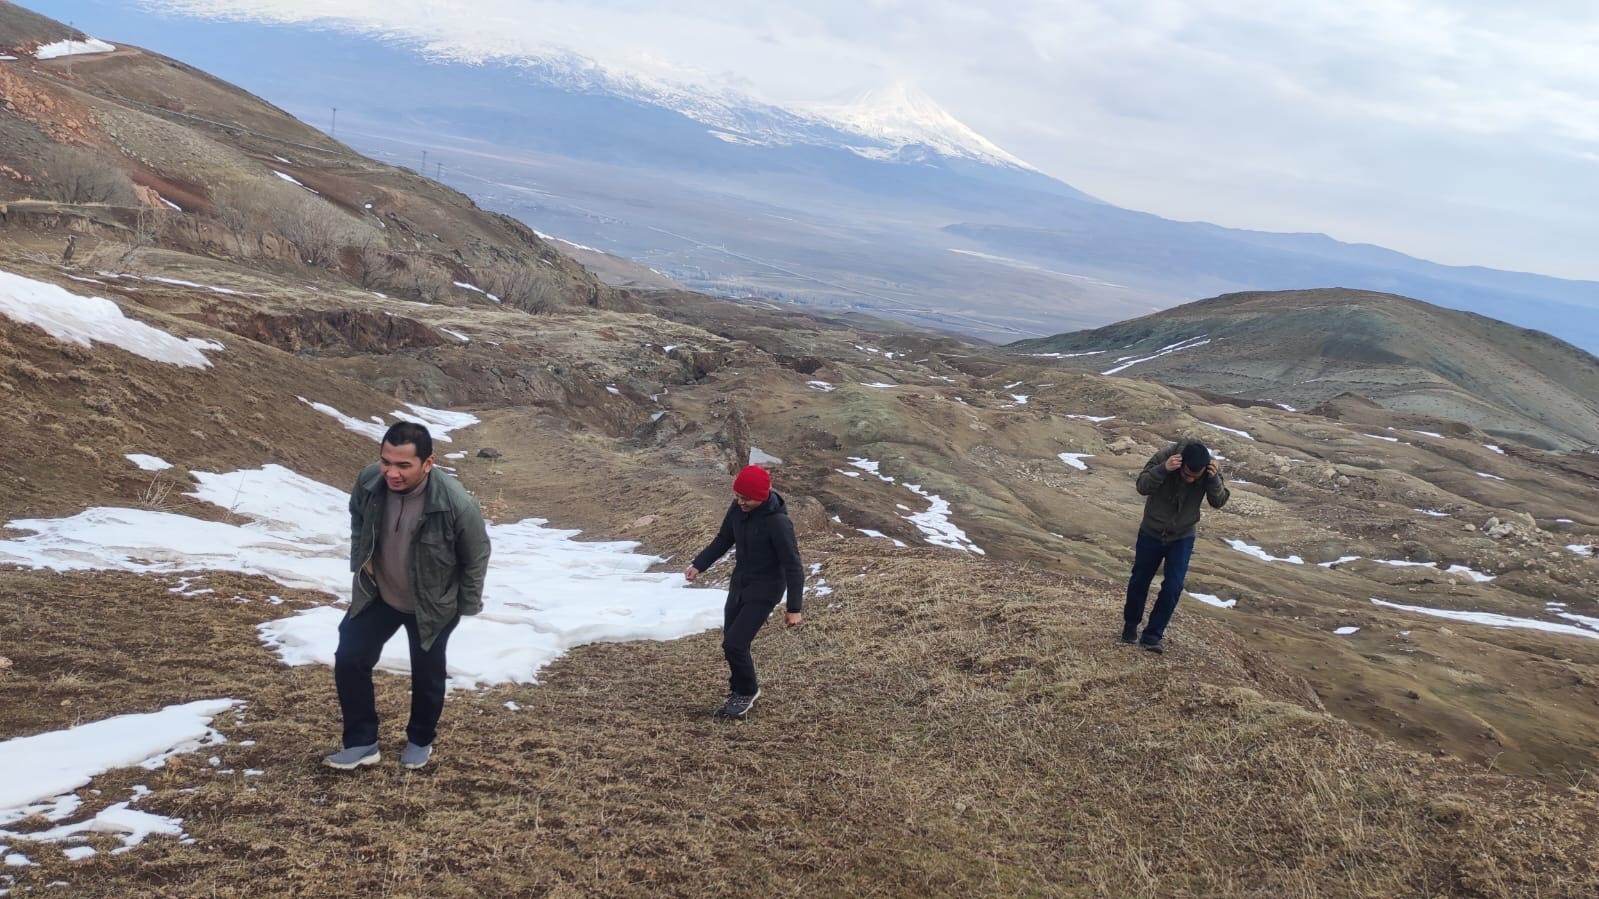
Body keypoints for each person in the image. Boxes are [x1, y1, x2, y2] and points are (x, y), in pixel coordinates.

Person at [323, 421, 492, 770]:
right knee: (350, 658)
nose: (391, 473)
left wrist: (463, 606)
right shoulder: (369, 481)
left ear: (427, 463)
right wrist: (360, 561)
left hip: (432, 603)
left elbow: (476, 556)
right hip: (379, 594)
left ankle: (420, 739)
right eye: (386, 461)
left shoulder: (456, 503)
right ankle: (362, 742)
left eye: (403, 465)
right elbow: (358, 519)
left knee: (427, 674)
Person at [685, 464, 804, 718]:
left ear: (762, 495)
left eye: (746, 498)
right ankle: (739, 686)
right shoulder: (737, 509)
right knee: (731, 642)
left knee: (735, 644)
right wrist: (699, 564)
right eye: (737, 496)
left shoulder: (778, 523)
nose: (740, 502)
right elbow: (723, 538)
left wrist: (794, 608)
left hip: (765, 590)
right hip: (740, 584)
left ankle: (747, 691)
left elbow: (793, 565)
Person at [1122, 439, 1228, 653]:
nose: (1190, 479)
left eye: (1195, 477)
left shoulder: (1209, 468)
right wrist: (1163, 469)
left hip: (1182, 536)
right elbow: (1142, 486)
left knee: (1173, 587)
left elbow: (1219, 501)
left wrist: (1214, 479)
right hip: (1151, 531)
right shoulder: (1165, 457)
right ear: (1180, 463)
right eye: (1187, 474)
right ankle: (1130, 625)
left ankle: (1152, 636)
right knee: (1140, 581)